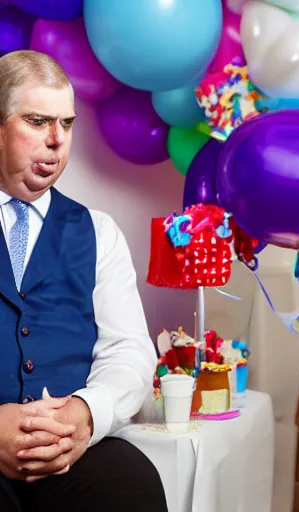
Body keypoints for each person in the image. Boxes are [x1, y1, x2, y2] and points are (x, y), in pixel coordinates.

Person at [0, 50, 167, 511]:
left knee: (134, 484)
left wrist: (85, 414)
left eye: (67, 124)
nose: (57, 140)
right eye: (37, 121)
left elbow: (128, 351)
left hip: (68, 450)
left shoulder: (98, 231)